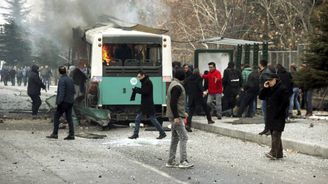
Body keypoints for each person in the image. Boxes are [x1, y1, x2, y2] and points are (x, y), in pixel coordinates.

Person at [166, 69, 193, 169]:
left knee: (175, 138)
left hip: (173, 115)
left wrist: (182, 113)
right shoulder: (177, 86)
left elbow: (175, 103)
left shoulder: (173, 84)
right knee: (184, 137)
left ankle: (171, 161)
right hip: (176, 117)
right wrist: (177, 116)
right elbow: (173, 102)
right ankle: (183, 161)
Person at [259, 72, 289, 160]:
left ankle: (273, 153)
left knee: (276, 133)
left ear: (276, 80)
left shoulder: (282, 88)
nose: (270, 82)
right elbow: (261, 97)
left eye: (271, 80)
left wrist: (279, 112)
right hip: (271, 115)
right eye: (268, 80)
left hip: (279, 115)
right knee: (274, 133)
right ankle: (279, 153)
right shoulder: (269, 88)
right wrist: (265, 88)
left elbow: (285, 103)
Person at [129, 71, 166, 139]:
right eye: (138, 77)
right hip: (146, 104)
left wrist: (136, 90)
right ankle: (136, 134)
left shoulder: (147, 82)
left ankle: (162, 133)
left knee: (151, 119)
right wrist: (136, 89)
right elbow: (144, 91)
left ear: (143, 75)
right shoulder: (145, 81)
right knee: (141, 119)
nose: (139, 78)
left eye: (139, 77)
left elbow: (145, 92)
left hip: (147, 104)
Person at [47, 66, 75, 140]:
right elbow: (73, 91)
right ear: (65, 71)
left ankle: (55, 133)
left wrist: (59, 102)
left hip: (63, 102)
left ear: (59, 72)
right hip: (70, 101)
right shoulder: (70, 79)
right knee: (69, 118)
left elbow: (62, 92)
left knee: (56, 116)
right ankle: (72, 135)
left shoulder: (62, 80)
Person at [258, 59, 272, 135]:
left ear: (261, 64)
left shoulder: (265, 72)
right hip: (266, 95)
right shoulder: (265, 71)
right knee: (266, 112)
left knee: (266, 113)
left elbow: (268, 84)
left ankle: (268, 128)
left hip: (267, 96)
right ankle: (267, 128)